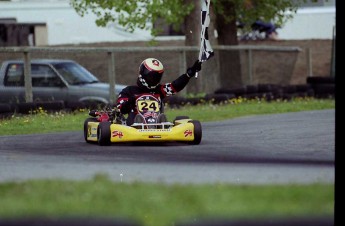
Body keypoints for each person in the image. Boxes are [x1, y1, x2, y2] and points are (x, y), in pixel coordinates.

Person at [115, 58, 202, 125]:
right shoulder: (129, 91)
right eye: (151, 76)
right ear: (142, 74)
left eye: (157, 77)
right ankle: (140, 122)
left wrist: (188, 75)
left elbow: (175, 86)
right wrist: (131, 100)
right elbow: (121, 109)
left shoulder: (159, 90)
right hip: (134, 124)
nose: (153, 79)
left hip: (156, 121)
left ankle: (160, 122)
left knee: (185, 122)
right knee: (130, 118)